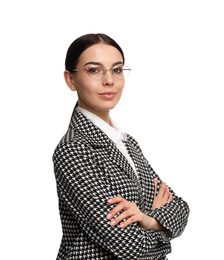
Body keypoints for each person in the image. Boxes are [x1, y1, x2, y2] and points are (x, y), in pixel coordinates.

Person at [53, 33, 189, 260]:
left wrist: (146, 220)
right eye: (94, 70)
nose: (109, 80)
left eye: (117, 69)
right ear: (70, 79)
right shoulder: (73, 150)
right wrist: (163, 226)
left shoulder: (126, 142)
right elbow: (130, 247)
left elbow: (181, 209)